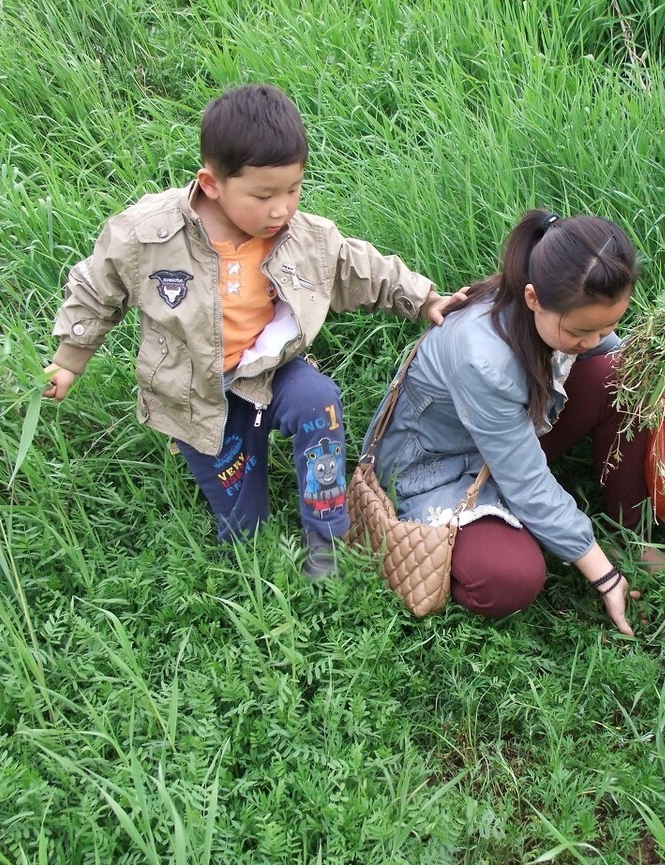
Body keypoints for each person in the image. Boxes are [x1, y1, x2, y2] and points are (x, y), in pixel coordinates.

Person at [43, 84, 463, 578]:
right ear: (213, 183)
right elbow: (98, 288)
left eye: (293, 189)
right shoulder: (148, 235)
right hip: (201, 394)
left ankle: (326, 540)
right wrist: (69, 360)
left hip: (271, 370)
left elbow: (359, 269)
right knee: (246, 528)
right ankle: (243, 532)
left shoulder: (301, 237)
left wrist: (425, 300)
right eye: (263, 195)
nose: (281, 209)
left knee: (319, 401)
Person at [362, 209, 665, 635]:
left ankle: (628, 533)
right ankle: (531, 540)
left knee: (624, 376)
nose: (594, 341)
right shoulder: (482, 358)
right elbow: (525, 482)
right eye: (581, 332)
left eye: (610, 324)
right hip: (439, 469)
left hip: (505, 440)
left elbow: (606, 350)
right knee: (510, 579)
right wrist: (602, 576)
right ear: (533, 298)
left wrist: (662, 347)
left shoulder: (558, 307)